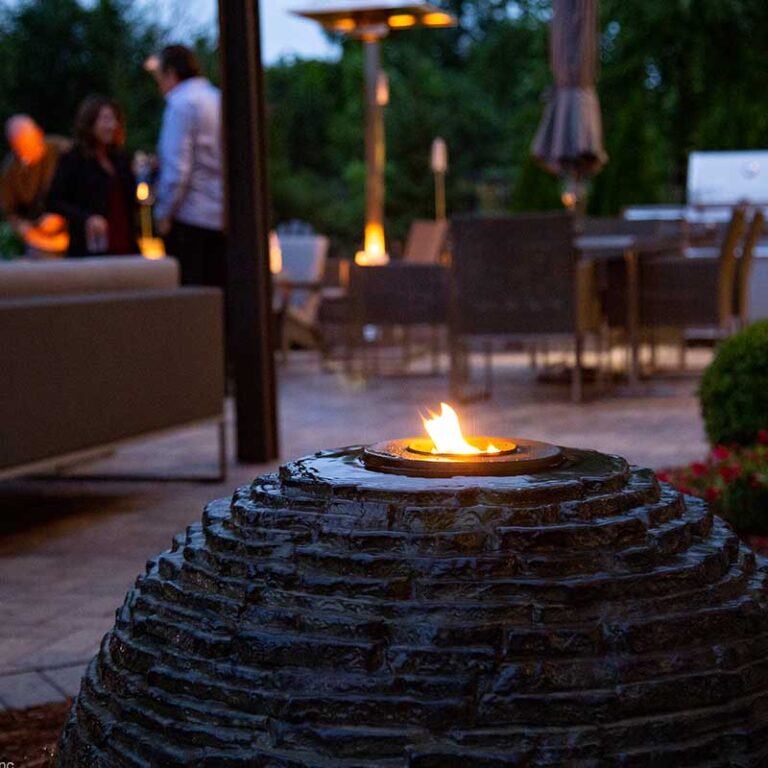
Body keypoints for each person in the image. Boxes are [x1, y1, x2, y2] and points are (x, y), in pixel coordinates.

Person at [150, 44, 225, 288]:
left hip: (191, 219)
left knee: (190, 300)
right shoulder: (217, 98)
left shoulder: (180, 104)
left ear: (171, 73)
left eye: (159, 76)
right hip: (220, 216)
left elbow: (177, 170)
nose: (159, 85)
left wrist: (164, 213)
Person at [48, 95, 138, 257]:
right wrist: (86, 218)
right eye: (105, 120)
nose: (112, 126)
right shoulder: (73, 159)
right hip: (90, 248)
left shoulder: (121, 159)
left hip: (125, 246)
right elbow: (54, 201)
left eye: (114, 120)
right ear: (90, 123)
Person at [0, 115, 70, 254]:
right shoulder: (10, 170)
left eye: (30, 142)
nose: (27, 150)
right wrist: (22, 227)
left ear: (39, 133)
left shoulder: (62, 150)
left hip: (76, 227)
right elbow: (10, 211)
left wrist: (62, 215)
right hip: (40, 238)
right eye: (20, 146)